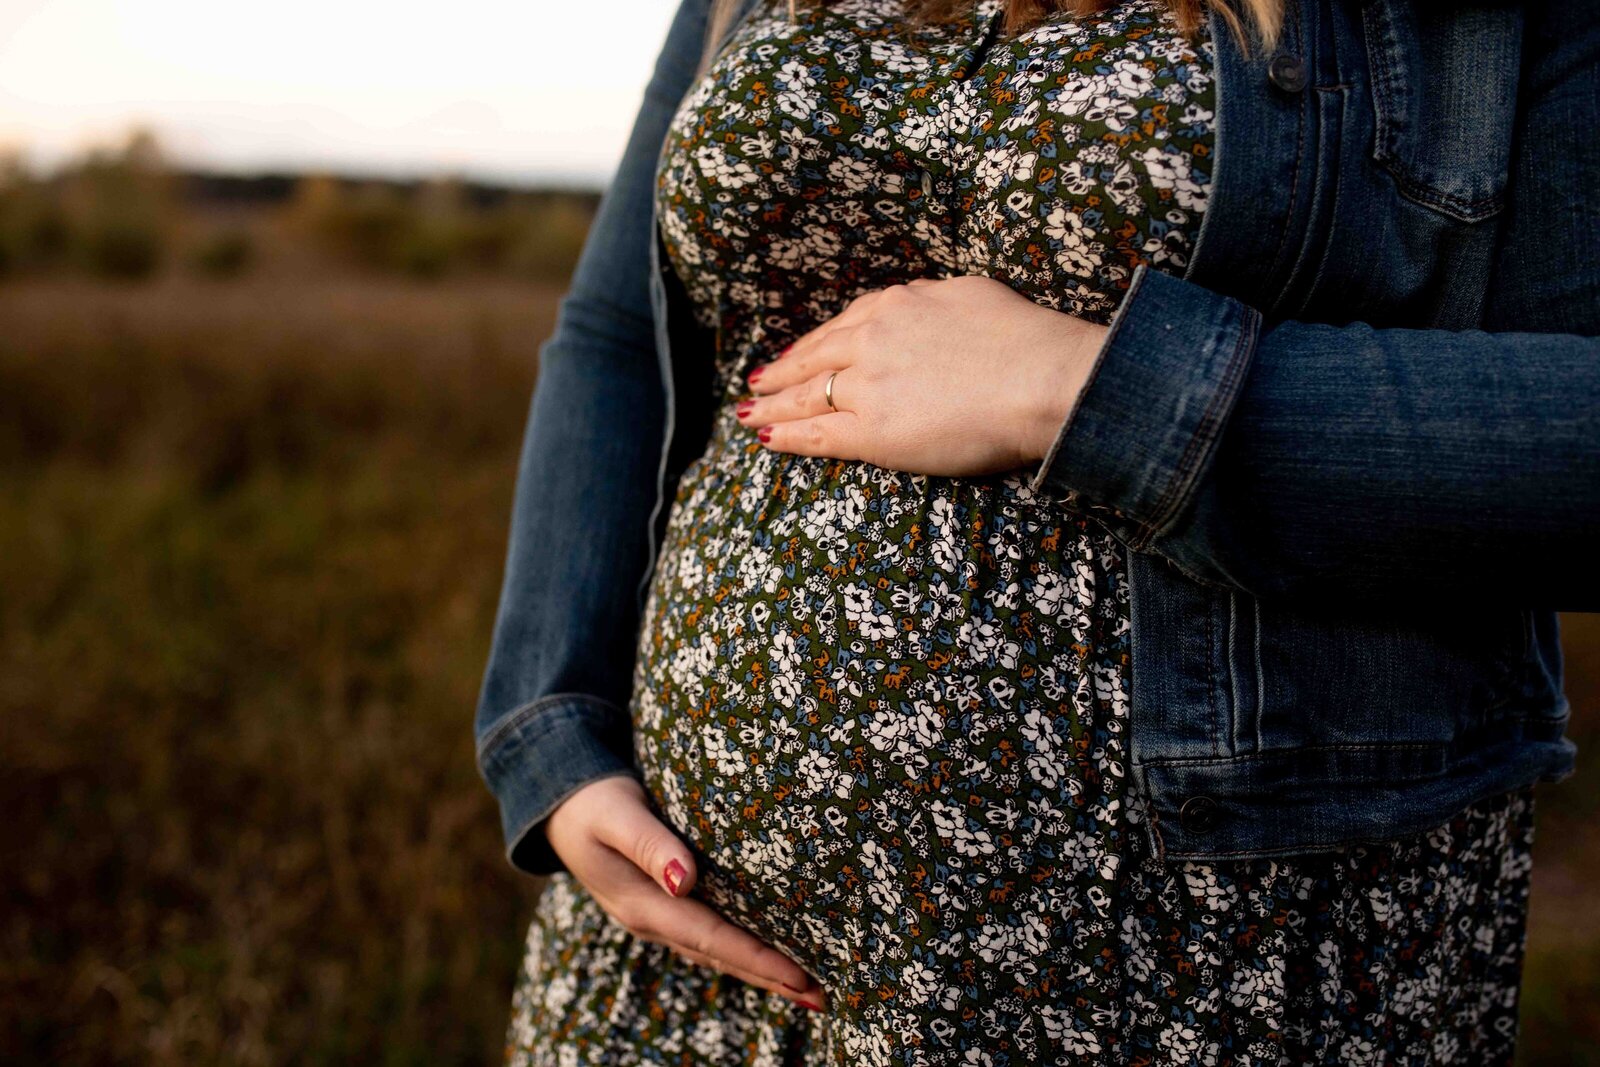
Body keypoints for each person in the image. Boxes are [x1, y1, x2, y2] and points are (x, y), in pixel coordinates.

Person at [474, 0, 1599, 1061]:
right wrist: (555, 731)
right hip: (673, 937)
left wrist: (1085, 388)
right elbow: (619, 329)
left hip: (1185, 951)